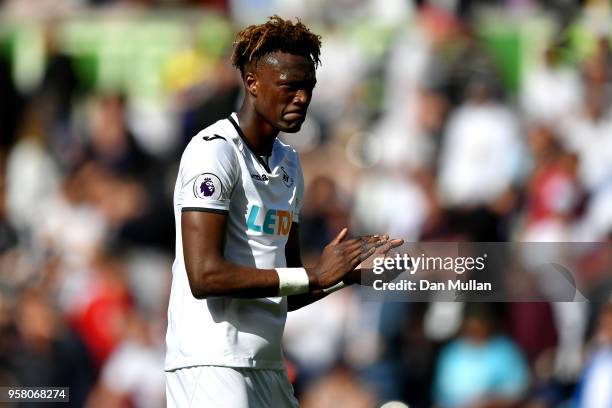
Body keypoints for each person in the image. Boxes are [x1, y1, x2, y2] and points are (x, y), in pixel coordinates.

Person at [164, 16, 402, 408]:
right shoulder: (213, 152)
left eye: (308, 87)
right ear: (252, 83)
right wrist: (315, 273)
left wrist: (349, 277)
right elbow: (203, 275)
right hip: (211, 364)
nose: (303, 98)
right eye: (290, 86)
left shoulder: (288, 164)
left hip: (268, 366)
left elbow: (287, 289)